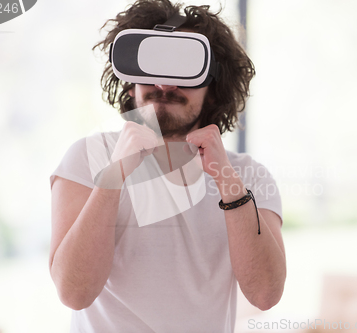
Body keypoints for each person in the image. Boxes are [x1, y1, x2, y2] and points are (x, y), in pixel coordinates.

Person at [49, 0, 286, 332]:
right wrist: (113, 176)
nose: (164, 84)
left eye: (183, 69)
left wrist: (227, 181)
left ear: (214, 89)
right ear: (130, 83)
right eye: (151, 67)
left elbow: (265, 293)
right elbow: (74, 292)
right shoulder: (87, 157)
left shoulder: (250, 176)